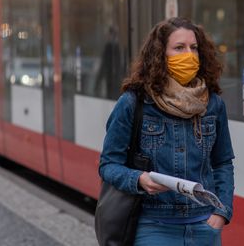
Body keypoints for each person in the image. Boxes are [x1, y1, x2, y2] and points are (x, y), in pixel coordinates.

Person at [99, 17, 235, 246]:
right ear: (160, 55)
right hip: (153, 227)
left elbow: (223, 163)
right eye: (179, 48)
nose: (189, 55)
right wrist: (138, 179)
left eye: (194, 48)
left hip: (204, 227)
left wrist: (221, 212)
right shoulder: (134, 103)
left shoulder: (213, 104)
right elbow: (108, 165)